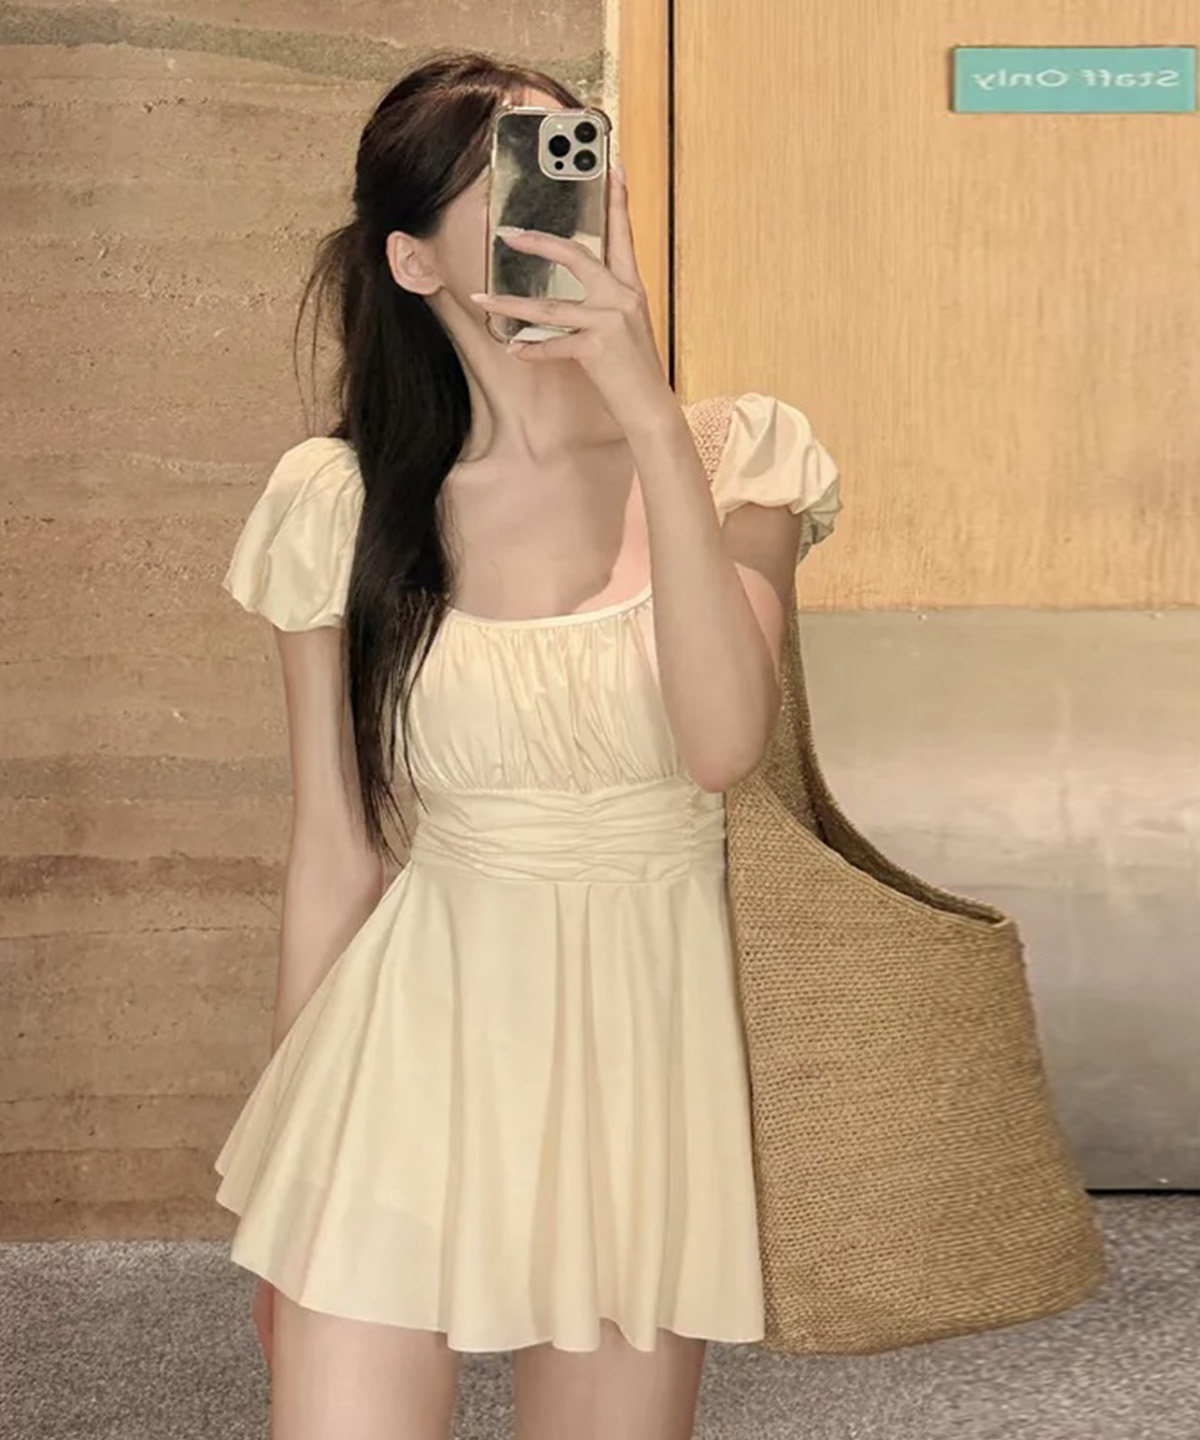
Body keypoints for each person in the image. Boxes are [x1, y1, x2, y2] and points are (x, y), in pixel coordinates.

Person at [213, 49, 841, 1440]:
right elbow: (333, 853)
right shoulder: (341, 503)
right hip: (405, 1053)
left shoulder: (736, 457)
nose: (554, 216)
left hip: (644, 1075)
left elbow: (722, 742)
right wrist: (285, 1173)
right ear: (413, 261)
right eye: (507, 184)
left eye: (574, 173)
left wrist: (646, 409)